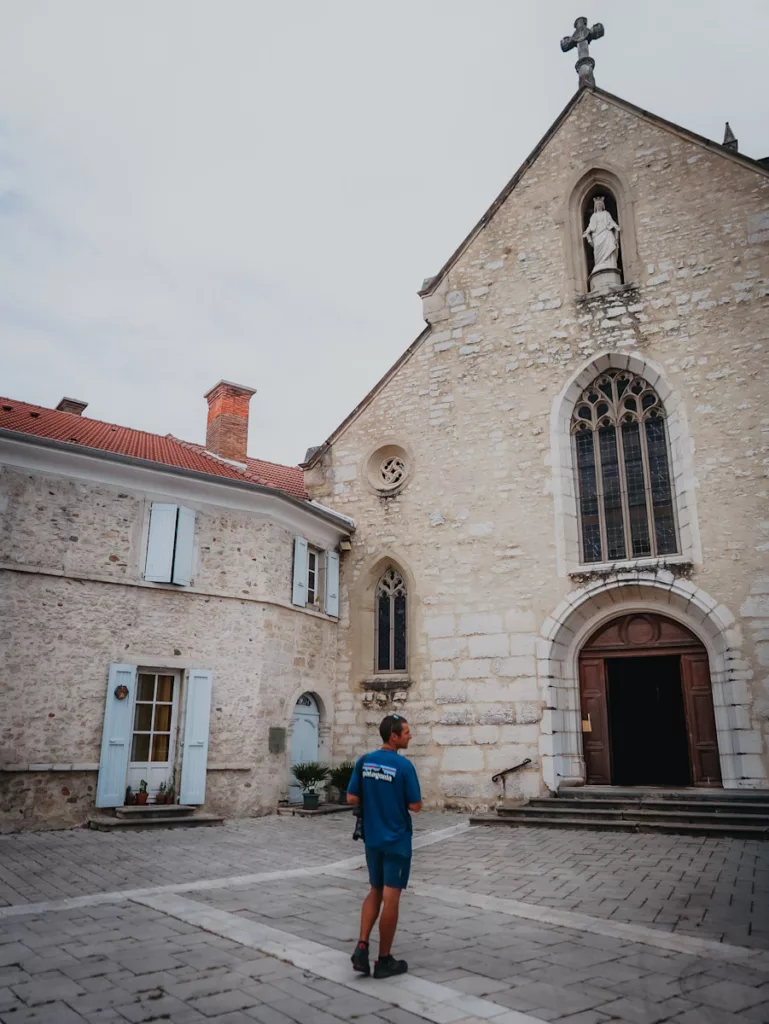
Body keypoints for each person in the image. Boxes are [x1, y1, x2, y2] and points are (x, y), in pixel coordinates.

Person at [346, 714, 421, 979]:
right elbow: (415, 805)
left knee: (374, 890)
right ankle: (384, 960)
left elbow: (352, 796)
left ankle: (362, 945)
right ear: (394, 736)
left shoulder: (364, 761)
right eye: (407, 732)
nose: (410, 736)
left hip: (372, 839)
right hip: (396, 841)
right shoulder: (404, 766)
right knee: (391, 897)